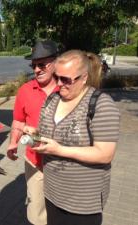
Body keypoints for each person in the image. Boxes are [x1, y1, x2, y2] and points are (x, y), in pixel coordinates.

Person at [28, 50, 120, 225]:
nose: (59, 84)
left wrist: (59, 150)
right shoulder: (52, 99)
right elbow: (45, 132)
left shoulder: (101, 104)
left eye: (66, 79)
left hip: (82, 203)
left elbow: (105, 154)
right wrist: (34, 135)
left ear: (84, 77)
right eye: (56, 77)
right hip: (52, 193)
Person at [7, 40, 59, 225]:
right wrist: (13, 142)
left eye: (42, 64)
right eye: (34, 65)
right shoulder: (25, 90)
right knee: (37, 212)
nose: (37, 69)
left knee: (60, 211)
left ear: (55, 63)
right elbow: (18, 120)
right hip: (35, 161)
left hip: (63, 163)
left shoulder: (67, 89)